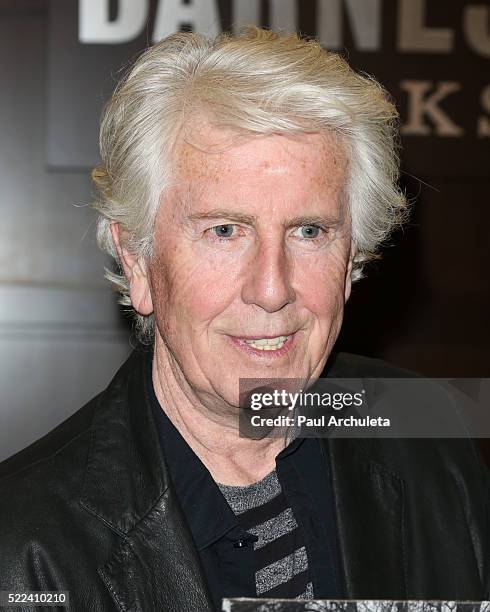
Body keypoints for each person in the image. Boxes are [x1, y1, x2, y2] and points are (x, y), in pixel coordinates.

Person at [0, 27, 488, 612]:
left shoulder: (425, 427)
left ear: (353, 256)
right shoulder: (23, 542)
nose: (272, 289)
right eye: (225, 231)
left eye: (310, 232)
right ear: (138, 261)